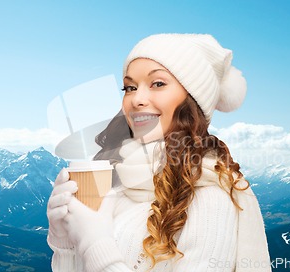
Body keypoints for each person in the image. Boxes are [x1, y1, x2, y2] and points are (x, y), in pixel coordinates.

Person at [46, 33, 271, 272]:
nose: (137, 99)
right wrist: (64, 241)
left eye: (158, 84)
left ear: (192, 101)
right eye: (130, 87)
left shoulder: (209, 200)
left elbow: (97, 251)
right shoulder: (119, 181)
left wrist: (95, 244)